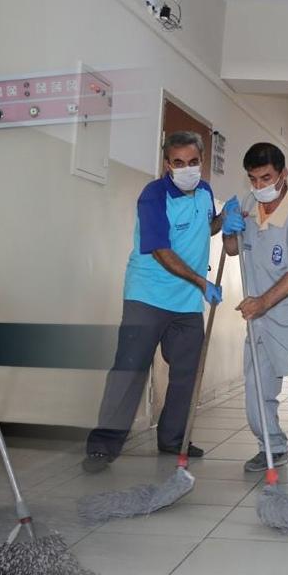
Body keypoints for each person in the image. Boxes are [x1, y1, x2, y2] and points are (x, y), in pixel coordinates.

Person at [82, 131, 244, 472]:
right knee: (129, 370)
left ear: (202, 161)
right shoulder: (153, 196)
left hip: (186, 303)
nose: (188, 168)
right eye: (179, 163)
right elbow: (160, 251)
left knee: (187, 372)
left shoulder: (205, 191)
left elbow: (205, 228)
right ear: (167, 164)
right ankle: (103, 446)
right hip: (148, 296)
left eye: (194, 162)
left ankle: (172, 440)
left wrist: (223, 219)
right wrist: (201, 281)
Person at [224, 142, 288, 491]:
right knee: (257, 390)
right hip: (261, 315)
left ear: (284, 174)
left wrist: (262, 302)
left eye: (266, 177)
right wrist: (228, 229)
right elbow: (232, 249)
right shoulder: (248, 203)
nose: (259, 186)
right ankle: (272, 446)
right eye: (253, 179)